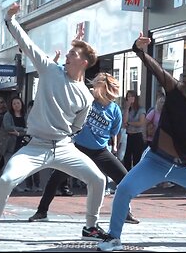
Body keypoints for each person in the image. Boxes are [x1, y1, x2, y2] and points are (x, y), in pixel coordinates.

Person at [0, 3, 106, 241]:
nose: (67, 55)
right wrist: (10, 19)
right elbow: (27, 44)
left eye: (72, 54)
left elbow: (77, 126)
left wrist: (62, 135)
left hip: (64, 148)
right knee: (6, 179)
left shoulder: (86, 95)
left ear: (84, 62)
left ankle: (91, 227)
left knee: (98, 179)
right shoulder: (50, 70)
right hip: (35, 146)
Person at [97, 32, 186, 252]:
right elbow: (157, 71)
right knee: (124, 189)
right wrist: (139, 50)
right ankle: (113, 237)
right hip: (155, 161)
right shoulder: (178, 92)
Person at [28, 72, 140, 225]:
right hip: (77, 148)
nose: (111, 96)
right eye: (108, 91)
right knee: (56, 178)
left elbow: (114, 131)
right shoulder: (89, 102)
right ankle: (42, 211)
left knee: (124, 178)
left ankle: (125, 212)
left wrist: (114, 146)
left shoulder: (114, 110)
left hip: (100, 151)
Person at [122, 90, 146, 171]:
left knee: (137, 157)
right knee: (127, 157)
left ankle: (136, 174)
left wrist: (129, 123)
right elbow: (124, 123)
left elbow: (141, 123)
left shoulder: (141, 109)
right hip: (128, 135)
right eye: (128, 97)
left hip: (137, 135)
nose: (130, 98)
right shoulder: (127, 109)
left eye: (132, 96)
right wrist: (126, 108)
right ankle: (126, 174)